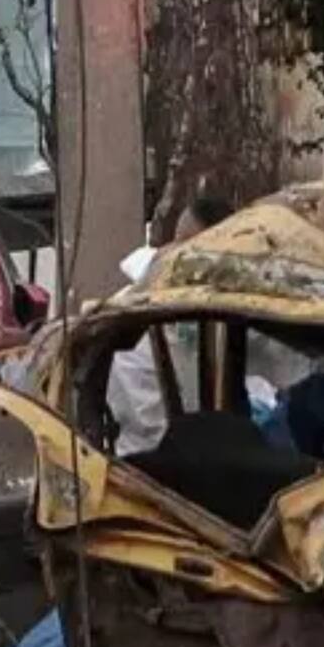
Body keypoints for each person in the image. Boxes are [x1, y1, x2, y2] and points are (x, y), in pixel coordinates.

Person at [108, 192, 236, 456]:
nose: (173, 252)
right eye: (177, 242)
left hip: (176, 457)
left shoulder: (232, 310)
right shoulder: (133, 308)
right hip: (148, 463)